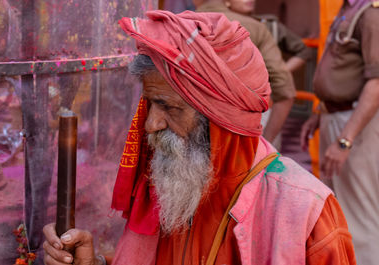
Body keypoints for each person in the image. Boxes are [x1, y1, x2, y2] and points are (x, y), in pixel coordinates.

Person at [42, 10, 356, 265]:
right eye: (149, 104)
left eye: (167, 106)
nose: (150, 124)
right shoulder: (171, 188)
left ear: (220, 118)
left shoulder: (306, 214)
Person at [300, 1, 379, 264]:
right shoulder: (350, 8)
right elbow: (344, 71)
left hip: (356, 123)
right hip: (339, 117)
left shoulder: (371, 13)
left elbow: (376, 84)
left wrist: (345, 141)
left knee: (360, 217)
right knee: (340, 212)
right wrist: (320, 112)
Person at [196, 0, 296, 149]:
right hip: (242, 132)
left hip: (191, 129)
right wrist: (265, 144)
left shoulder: (176, 24)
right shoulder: (254, 27)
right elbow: (285, 90)